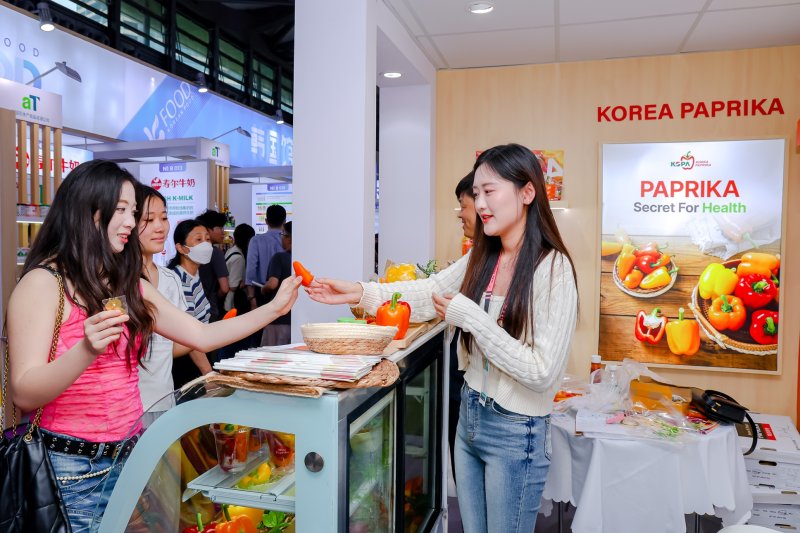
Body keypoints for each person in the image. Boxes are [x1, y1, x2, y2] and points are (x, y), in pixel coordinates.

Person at [6, 160, 301, 532]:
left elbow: (201, 336)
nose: (133, 222)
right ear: (90, 212)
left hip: (133, 456)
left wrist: (275, 308)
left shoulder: (127, 285)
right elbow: (25, 392)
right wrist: (86, 350)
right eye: (124, 211)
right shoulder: (42, 284)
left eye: (134, 211)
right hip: (69, 468)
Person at [307, 143, 578, 533]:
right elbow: (427, 293)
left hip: (516, 429)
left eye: (490, 191)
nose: (480, 203)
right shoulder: (484, 256)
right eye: (477, 194)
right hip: (470, 417)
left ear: (527, 193)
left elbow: (542, 373)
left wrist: (472, 317)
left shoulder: (555, 270)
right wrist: (359, 293)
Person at [136, 185, 188, 427]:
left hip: (165, 401)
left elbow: (174, 346)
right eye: (149, 219)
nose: (160, 226)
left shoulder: (171, 279)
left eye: (164, 217)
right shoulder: (113, 283)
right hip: (127, 409)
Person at [449, 170, 475, 486]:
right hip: (464, 386)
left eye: (462, 203)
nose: (460, 213)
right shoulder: (476, 257)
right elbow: (431, 288)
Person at [167, 219, 216, 386]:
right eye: (198, 239)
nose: (206, 244)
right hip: (187, 364)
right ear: (181, 248)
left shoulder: (194, 275)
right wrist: (208, 372)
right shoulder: (179, 280)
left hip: (199, 355)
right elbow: (188, 334)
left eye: (207, 239)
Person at [245, 204, 287, 310]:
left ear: (266, 221)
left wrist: (251, 297)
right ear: (284, 221)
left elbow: (251, 269)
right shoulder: (288, 241)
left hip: (262, 292)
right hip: (285, 292)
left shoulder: (256, 241)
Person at [260, 221, 292, 346]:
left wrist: (263, 288)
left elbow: (272, 284)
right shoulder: (303, 258)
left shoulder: (279, 257)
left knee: (272, 356)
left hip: (278, 317)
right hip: (295, 318)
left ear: (289, 237)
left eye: (283, 234)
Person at [195, 209, 230, 322]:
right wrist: (214, 297)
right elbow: (224, 288)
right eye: (220, 228)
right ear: (208, 230)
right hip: (210, 309)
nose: (223, 232)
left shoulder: (190, 250)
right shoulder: (214, 252)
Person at [224, 223, 255, 314]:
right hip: (232, 303)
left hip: (228, 300)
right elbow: (233, 285)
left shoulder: (231, 250)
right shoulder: (239, 258)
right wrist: (245, 283)